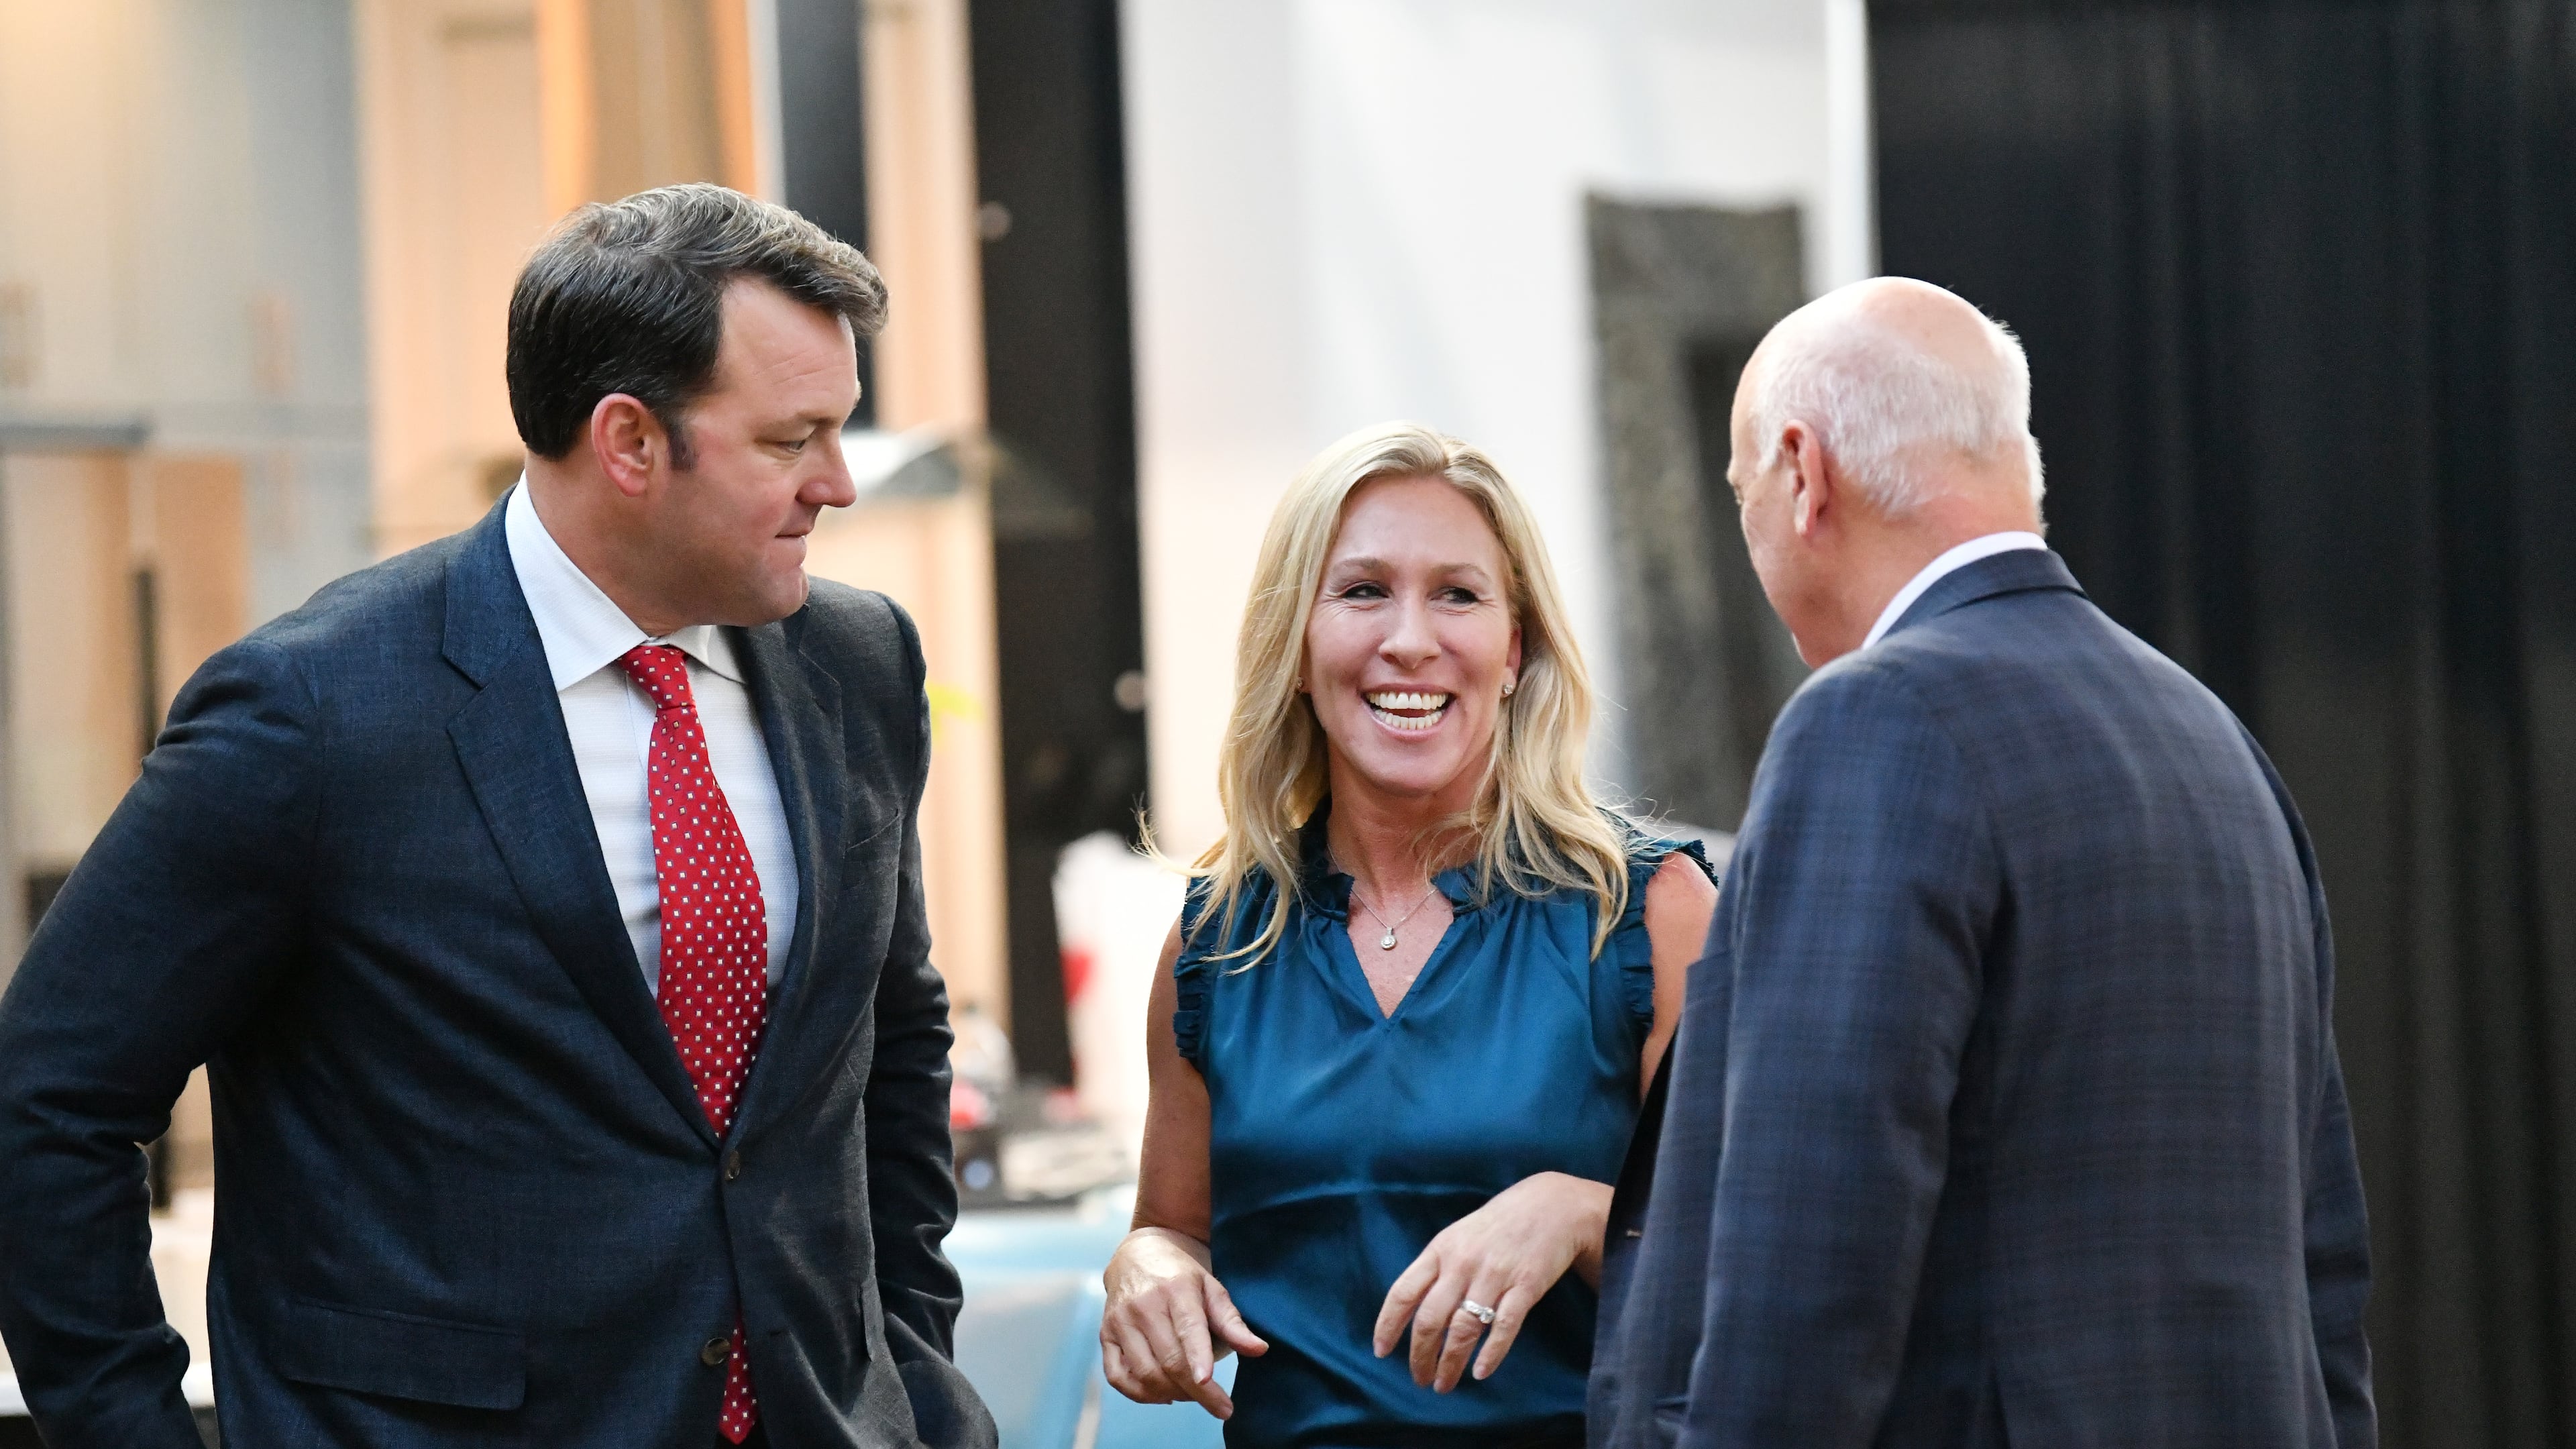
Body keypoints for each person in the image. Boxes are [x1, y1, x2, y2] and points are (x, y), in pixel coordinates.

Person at [0, 184, 994, 1449]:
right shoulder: (315, 712)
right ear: (629, 442)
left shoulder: (860, 660)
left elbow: (892, 1041)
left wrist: (910, 1362)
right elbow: (46, 1100)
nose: (839, 485)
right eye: (793, 440)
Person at [1587, 277, 2374, 1448]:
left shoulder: (1874, 721)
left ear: (1803, 475)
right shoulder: (2218, 742)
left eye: (1742, 490)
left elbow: (1814, 1262)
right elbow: (2323, 1265)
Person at [1099, 423, 1720, 1448]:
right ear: (1295, 647)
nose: (1411, 640)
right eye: (1362, 591)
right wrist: (1147, 1269)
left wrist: (1577, 1213)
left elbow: (1757, 1261)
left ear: (1515, 648)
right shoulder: (1216, 942)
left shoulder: (1647, 913)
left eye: (1459, 596)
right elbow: (1176, 1228)